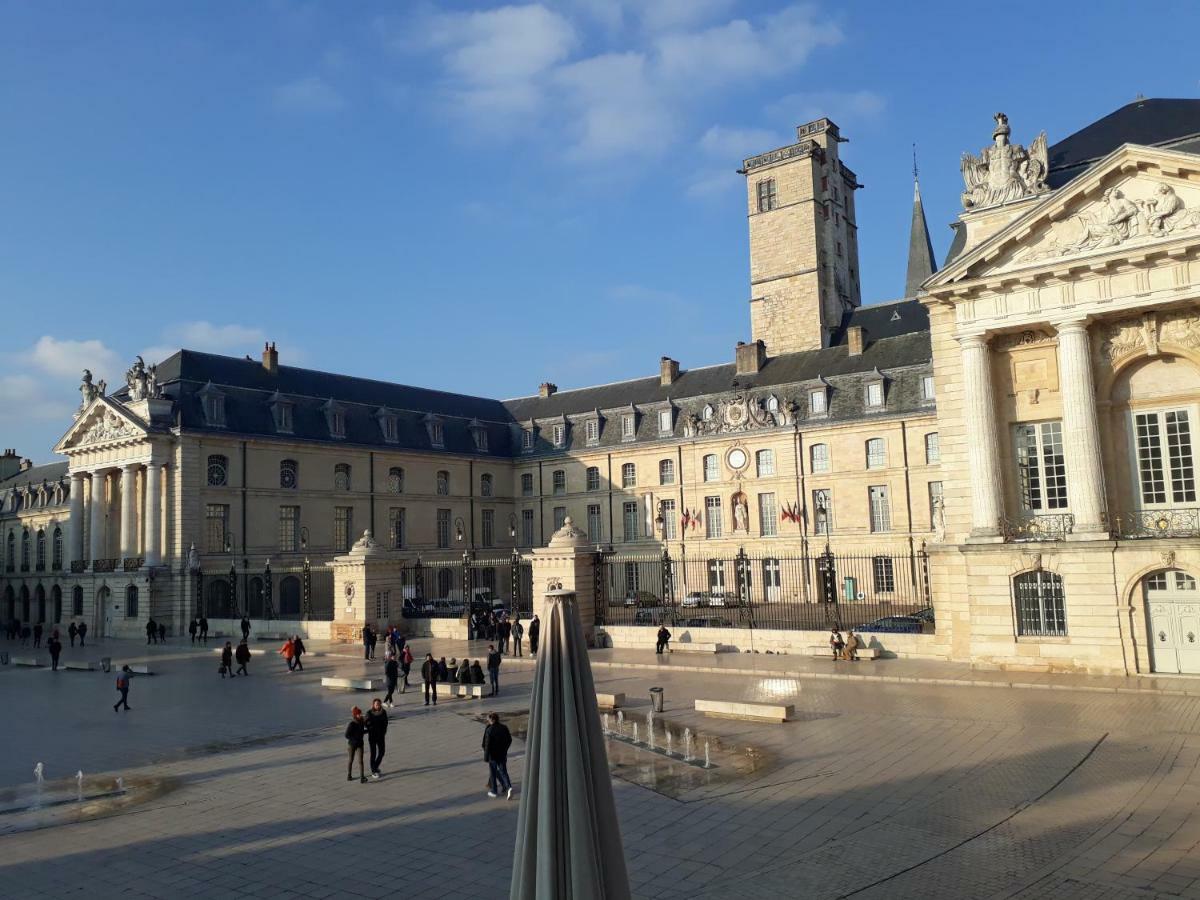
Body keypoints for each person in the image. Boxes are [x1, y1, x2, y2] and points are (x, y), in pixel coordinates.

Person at [482, 712, 514, 800]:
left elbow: (487, 745)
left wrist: (486, 757)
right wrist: (505, 749)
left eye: (488, 719)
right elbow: (509, 740)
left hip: (493, 756)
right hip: (502, 754)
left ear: (492, 720)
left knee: (493, 772)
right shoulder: (504, 727)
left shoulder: (489, 730)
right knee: (503, 771)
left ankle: (494, 791)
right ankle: (509, 787)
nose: (487, 720)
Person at [365, 698, 389, 779]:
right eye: (376, 704)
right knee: (373, 753)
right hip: (372, 736)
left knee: (382, 752)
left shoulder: (383, 712)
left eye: (379, 704)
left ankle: (375, 766)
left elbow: (386, 723)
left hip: (381, 736)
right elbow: (366, 723)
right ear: (373, 705)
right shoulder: (369, 713)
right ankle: (373, 771)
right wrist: (370, 727)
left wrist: (384, 732)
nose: (378, 706)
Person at [345, 706, 367, 783]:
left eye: (360, 714)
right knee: (351, 760)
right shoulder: (352, 724)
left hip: (360, 744)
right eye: (358, 714)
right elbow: (347, 735)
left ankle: (362, 777)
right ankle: (349, 775)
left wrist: (368, 731)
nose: (360, 715)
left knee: (361, 761)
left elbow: (361, 732)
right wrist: (354, 739)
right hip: (352, 745)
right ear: (355, 715)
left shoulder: (362, 722)